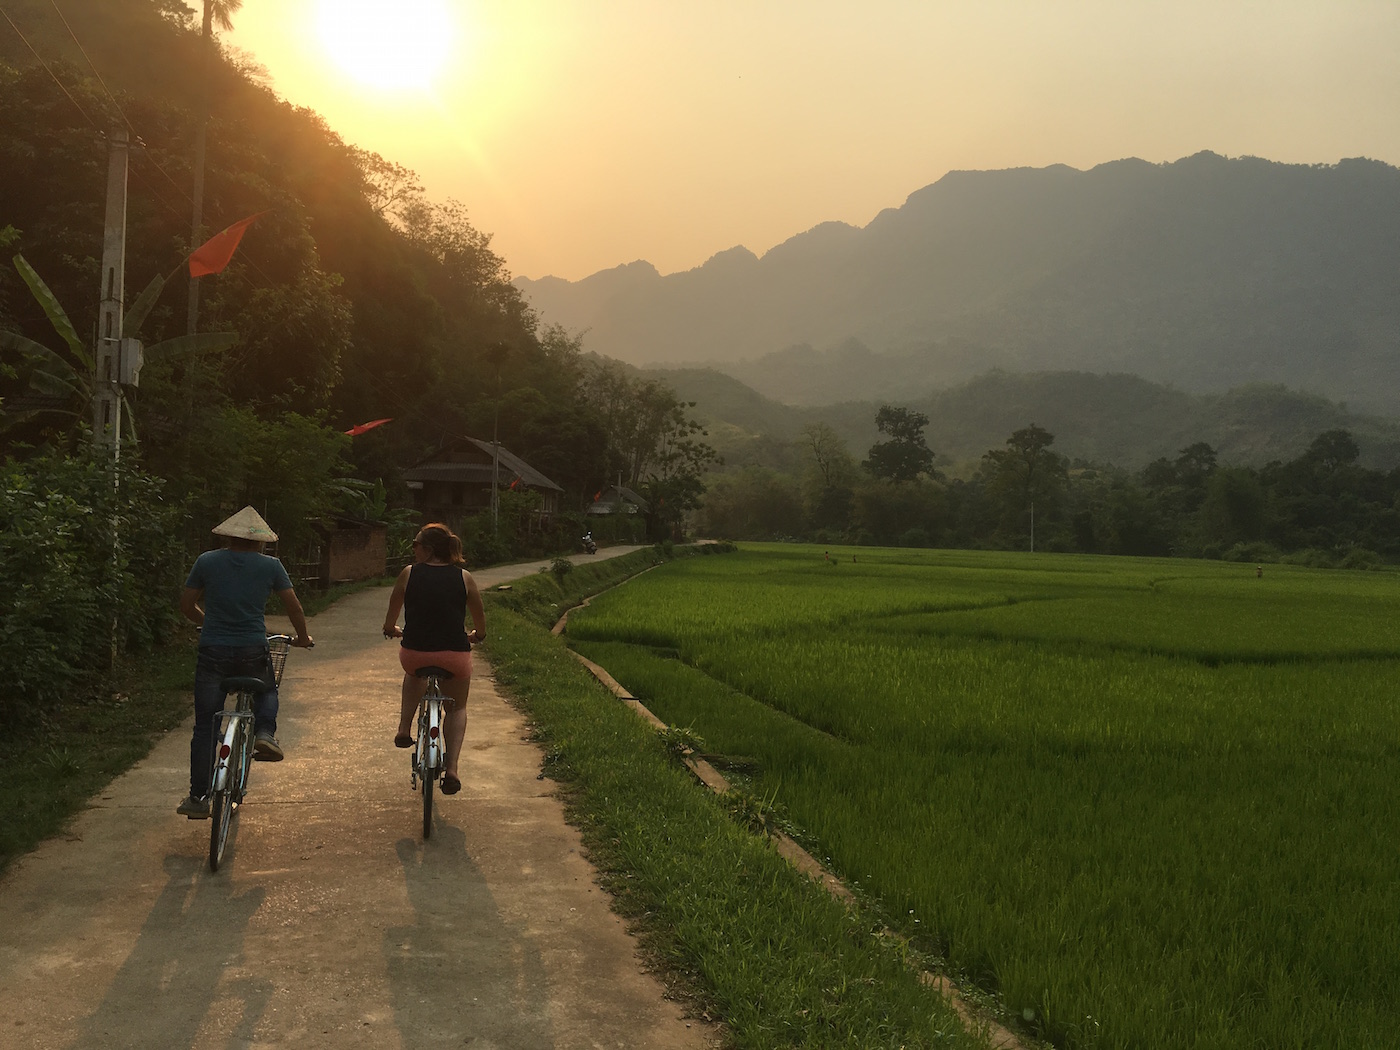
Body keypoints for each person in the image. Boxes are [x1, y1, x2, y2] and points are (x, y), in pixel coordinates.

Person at [176, 506, 313, 818]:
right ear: (261, 542)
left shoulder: (207, 561)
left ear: (228, 537)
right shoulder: (271, 566)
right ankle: (265, 733)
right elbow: (294, 607)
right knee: (267, 688)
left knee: (205, 726)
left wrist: (207, 621)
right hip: (252, 649)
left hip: (212, 652)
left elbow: (186, 605)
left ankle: (198, 798)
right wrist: (303, 637)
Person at [382, 523, 486, 795]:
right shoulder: (464, 577)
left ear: (428, 550)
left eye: (416, 544)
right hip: (455, 655)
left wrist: (390, 628)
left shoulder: (409, 573)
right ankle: (451, 770)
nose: (413, 549)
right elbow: (479, 617)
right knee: (457, 707)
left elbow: (393, 608)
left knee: (413, 674)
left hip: (414, 653)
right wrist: (478, 635)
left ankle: (404, 729)